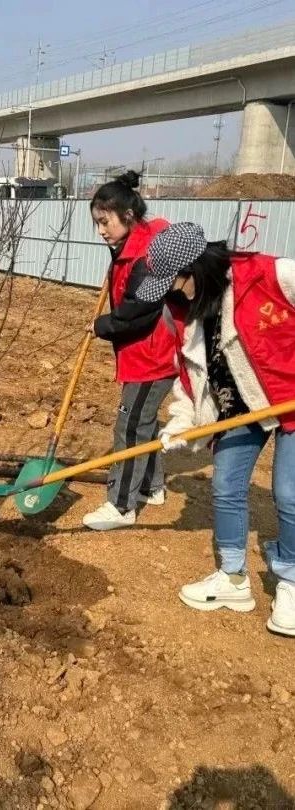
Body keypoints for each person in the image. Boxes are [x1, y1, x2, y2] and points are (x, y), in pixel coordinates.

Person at [137, 222, 295, 636]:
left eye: (173, 282)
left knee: (289, 493)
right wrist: (182, 421)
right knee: (226, 485)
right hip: (239, 406)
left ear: (196, 268)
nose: (171, 292)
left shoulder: (267, 276)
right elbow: (192, 378)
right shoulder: (187, 312)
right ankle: (233, 578)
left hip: (291, 396)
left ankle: (292, 583)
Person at [82, 171, 176, 531]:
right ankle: (151, 486)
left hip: (151, 355)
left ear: (129, 217)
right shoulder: (131, 246)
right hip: (146, 352)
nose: (101, 231)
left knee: (130, 426)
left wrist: (101, 326)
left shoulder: (145, 257)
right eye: (97, 223)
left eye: (105, 223)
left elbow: (137, 313)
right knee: (143, 422)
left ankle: (121, 505)